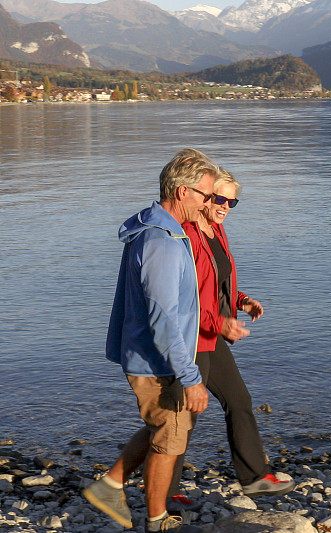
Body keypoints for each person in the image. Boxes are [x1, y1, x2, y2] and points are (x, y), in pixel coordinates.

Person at [83, 149, 218, 532]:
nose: (208, 203)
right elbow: (163, 319)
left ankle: (110, 484)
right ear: (180, 191)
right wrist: (189, 377)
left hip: (152, 355)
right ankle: (157, 520)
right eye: (204, 195)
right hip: (158, 360)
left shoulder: (164, 232)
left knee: (161, 426)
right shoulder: (161, 242)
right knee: (170, 438)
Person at [168, 169, 294, 507]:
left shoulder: (217, 230)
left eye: (231, 201)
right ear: (204, 197)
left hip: (213, 331)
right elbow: (183, 297)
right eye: (218, 198)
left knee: (238, 400)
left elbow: (216, 283)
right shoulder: (188, 234)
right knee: (187, 414)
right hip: (192, 335)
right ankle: (162, 491)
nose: (224, 206)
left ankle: (255, 478)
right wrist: (220, 324)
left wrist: (241, 300)